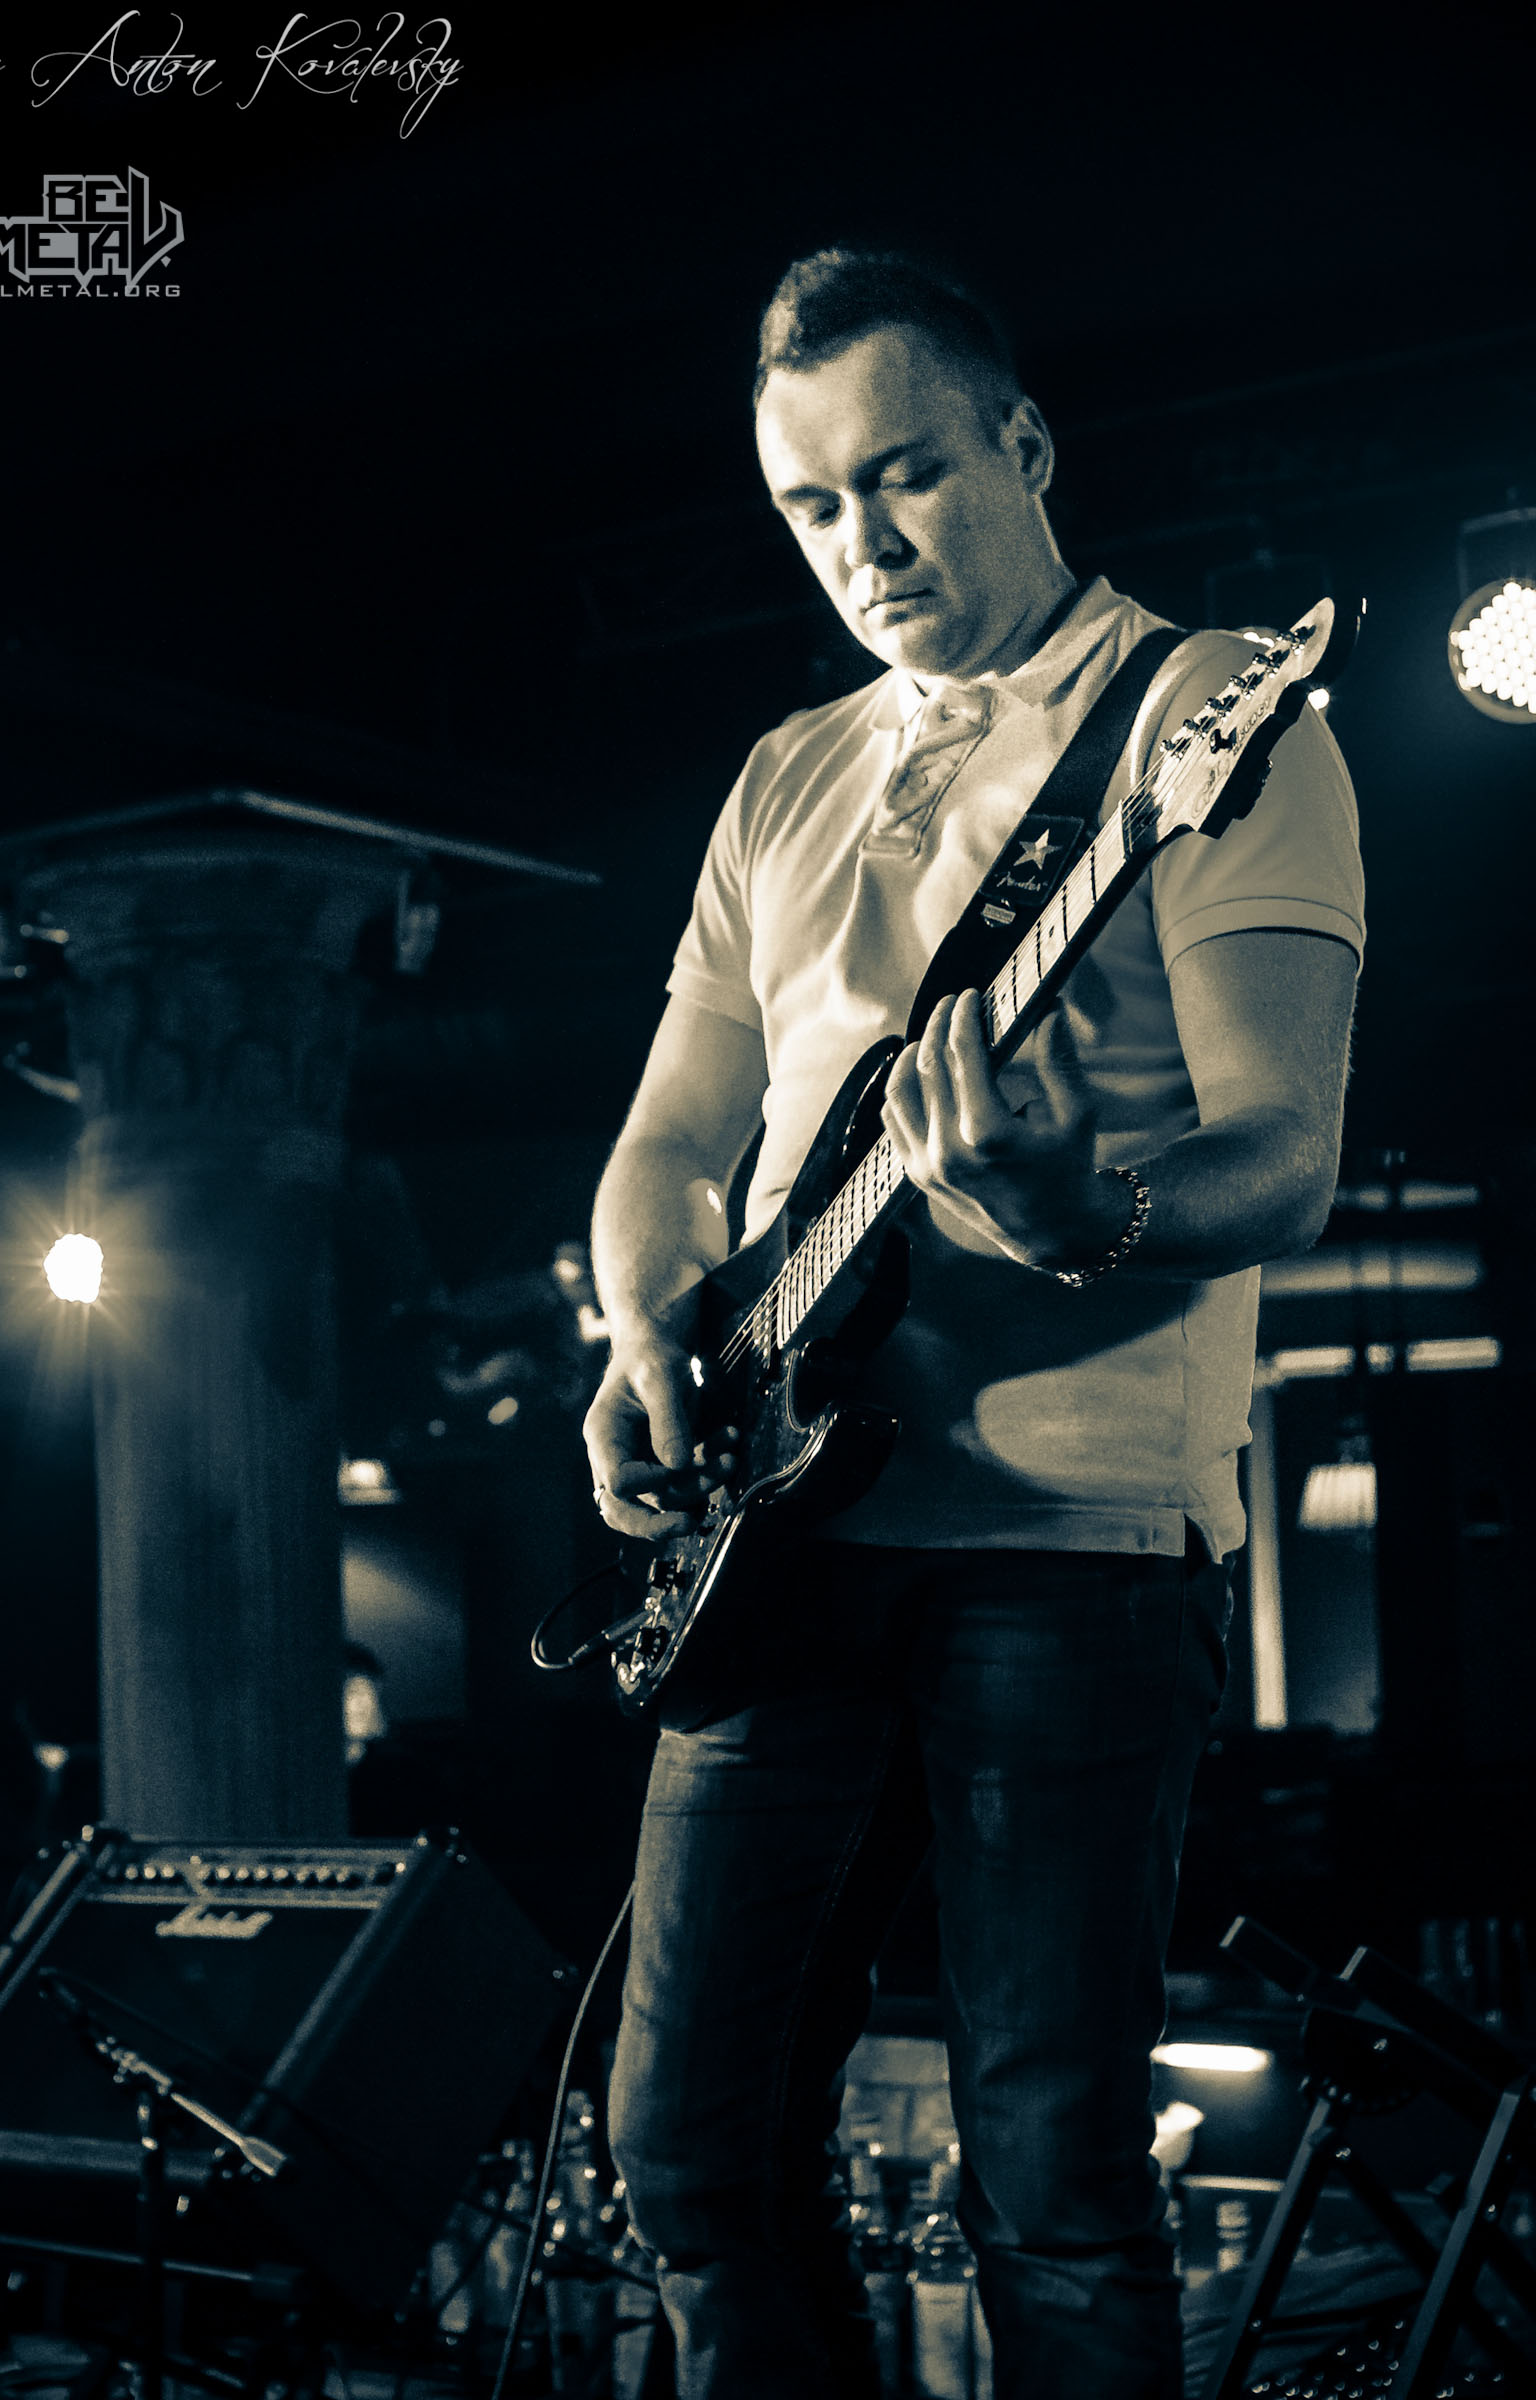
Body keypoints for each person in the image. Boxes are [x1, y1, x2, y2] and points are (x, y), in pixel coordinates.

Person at [581, 248, 1363, 2399]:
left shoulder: (1208, 714)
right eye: (813, 506)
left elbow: (1282, 1156)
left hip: (1069, 1546)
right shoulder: (783, 773)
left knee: (1054, 2190)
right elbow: (669, 1142)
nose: (866, 542)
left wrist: (1077, 1205)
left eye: (906, 474)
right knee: (685, 2155)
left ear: (1022, 445)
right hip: (777, 1530)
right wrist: (642, 1329)